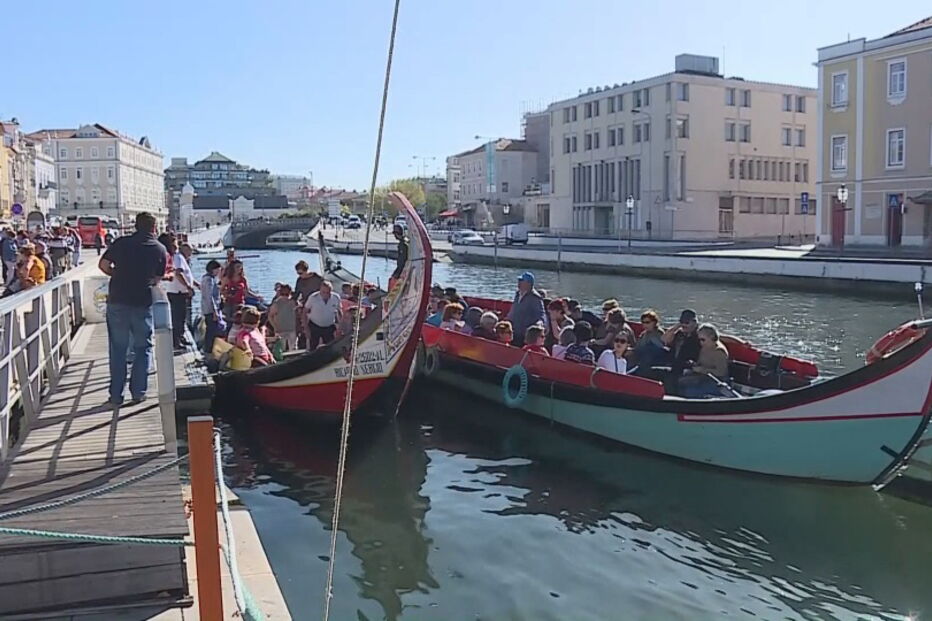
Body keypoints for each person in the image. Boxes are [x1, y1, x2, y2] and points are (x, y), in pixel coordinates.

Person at [98, 212, 167, 406]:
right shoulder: (159, 249)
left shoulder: (121, 243)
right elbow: (157, 279)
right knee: (143, 347)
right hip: (141, 302)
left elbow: (103, 264)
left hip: (118, 299)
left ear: (136, 225)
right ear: (154, 228)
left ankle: (115, 395)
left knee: (118, 349)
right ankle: (138, 392)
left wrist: (116, 274)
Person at [677, 323, 731, 398]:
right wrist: (694, 365)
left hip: (717, 381)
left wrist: (702, 370)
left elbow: (721, 372)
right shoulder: (704, 347)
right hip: (703, 377)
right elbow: (701, 363)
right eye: (699, 340)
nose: (701, 342)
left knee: (690, 391)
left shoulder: (719, 351)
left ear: (711, 337)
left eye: (703, 340)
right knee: (680, 381)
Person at [164, 238, 196, 349]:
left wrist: (195, 285)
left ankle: (181, 337)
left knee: (181, 317)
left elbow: (187, 275)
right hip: (177, 292)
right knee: (178, 318)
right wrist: (188, 287)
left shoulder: (181, 258)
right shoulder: (177, 257)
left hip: (180, 292)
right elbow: (178, 273)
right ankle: (176, 341)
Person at [506, 272, 546, 347]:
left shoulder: (535, 298)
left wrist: (539, 323)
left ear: (528, 284)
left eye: (521, 281)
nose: (519, 283)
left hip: (524, 333)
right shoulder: (518, 294)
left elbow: (540, 314)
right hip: (513, 330)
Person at [662, 309, 701, 378]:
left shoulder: (700, 337)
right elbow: (664, 339)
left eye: (687, 322)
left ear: (695, 323)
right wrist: (676, 327)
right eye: (682, 322)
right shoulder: (679, 334)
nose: (684, 325)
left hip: (685, 369)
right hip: (672, 365)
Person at [304, 279, 342, 349]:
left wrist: (340, 327)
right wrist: (306, 328)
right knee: (313, 347)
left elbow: (339, 312)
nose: (325, 294)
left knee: (330, 347)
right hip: (315, 325)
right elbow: (305, 311)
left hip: (329, 326)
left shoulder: (336, 297)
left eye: (328, 292)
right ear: (320, 290)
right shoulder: (313, 297)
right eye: (323, 292)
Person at [200, 260, 224, 353]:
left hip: (209, 308)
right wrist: (215, 311)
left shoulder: (209, 278)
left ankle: (209, 348)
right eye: (218, 270)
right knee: (211, 330)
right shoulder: (209, 280)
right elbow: (210, 297)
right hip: (210, 309)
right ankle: (208, 349)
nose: (219, 272)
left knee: (211, 329)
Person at [268, 284, 298, 351]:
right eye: (283, 294)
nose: (284, 296)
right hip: (280, 330)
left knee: (293, 348)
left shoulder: (293, 302)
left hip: (291, 329)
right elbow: (270, 316)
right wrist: (275, 327)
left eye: (286, 294)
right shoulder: (276, 303)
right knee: (281, 349)